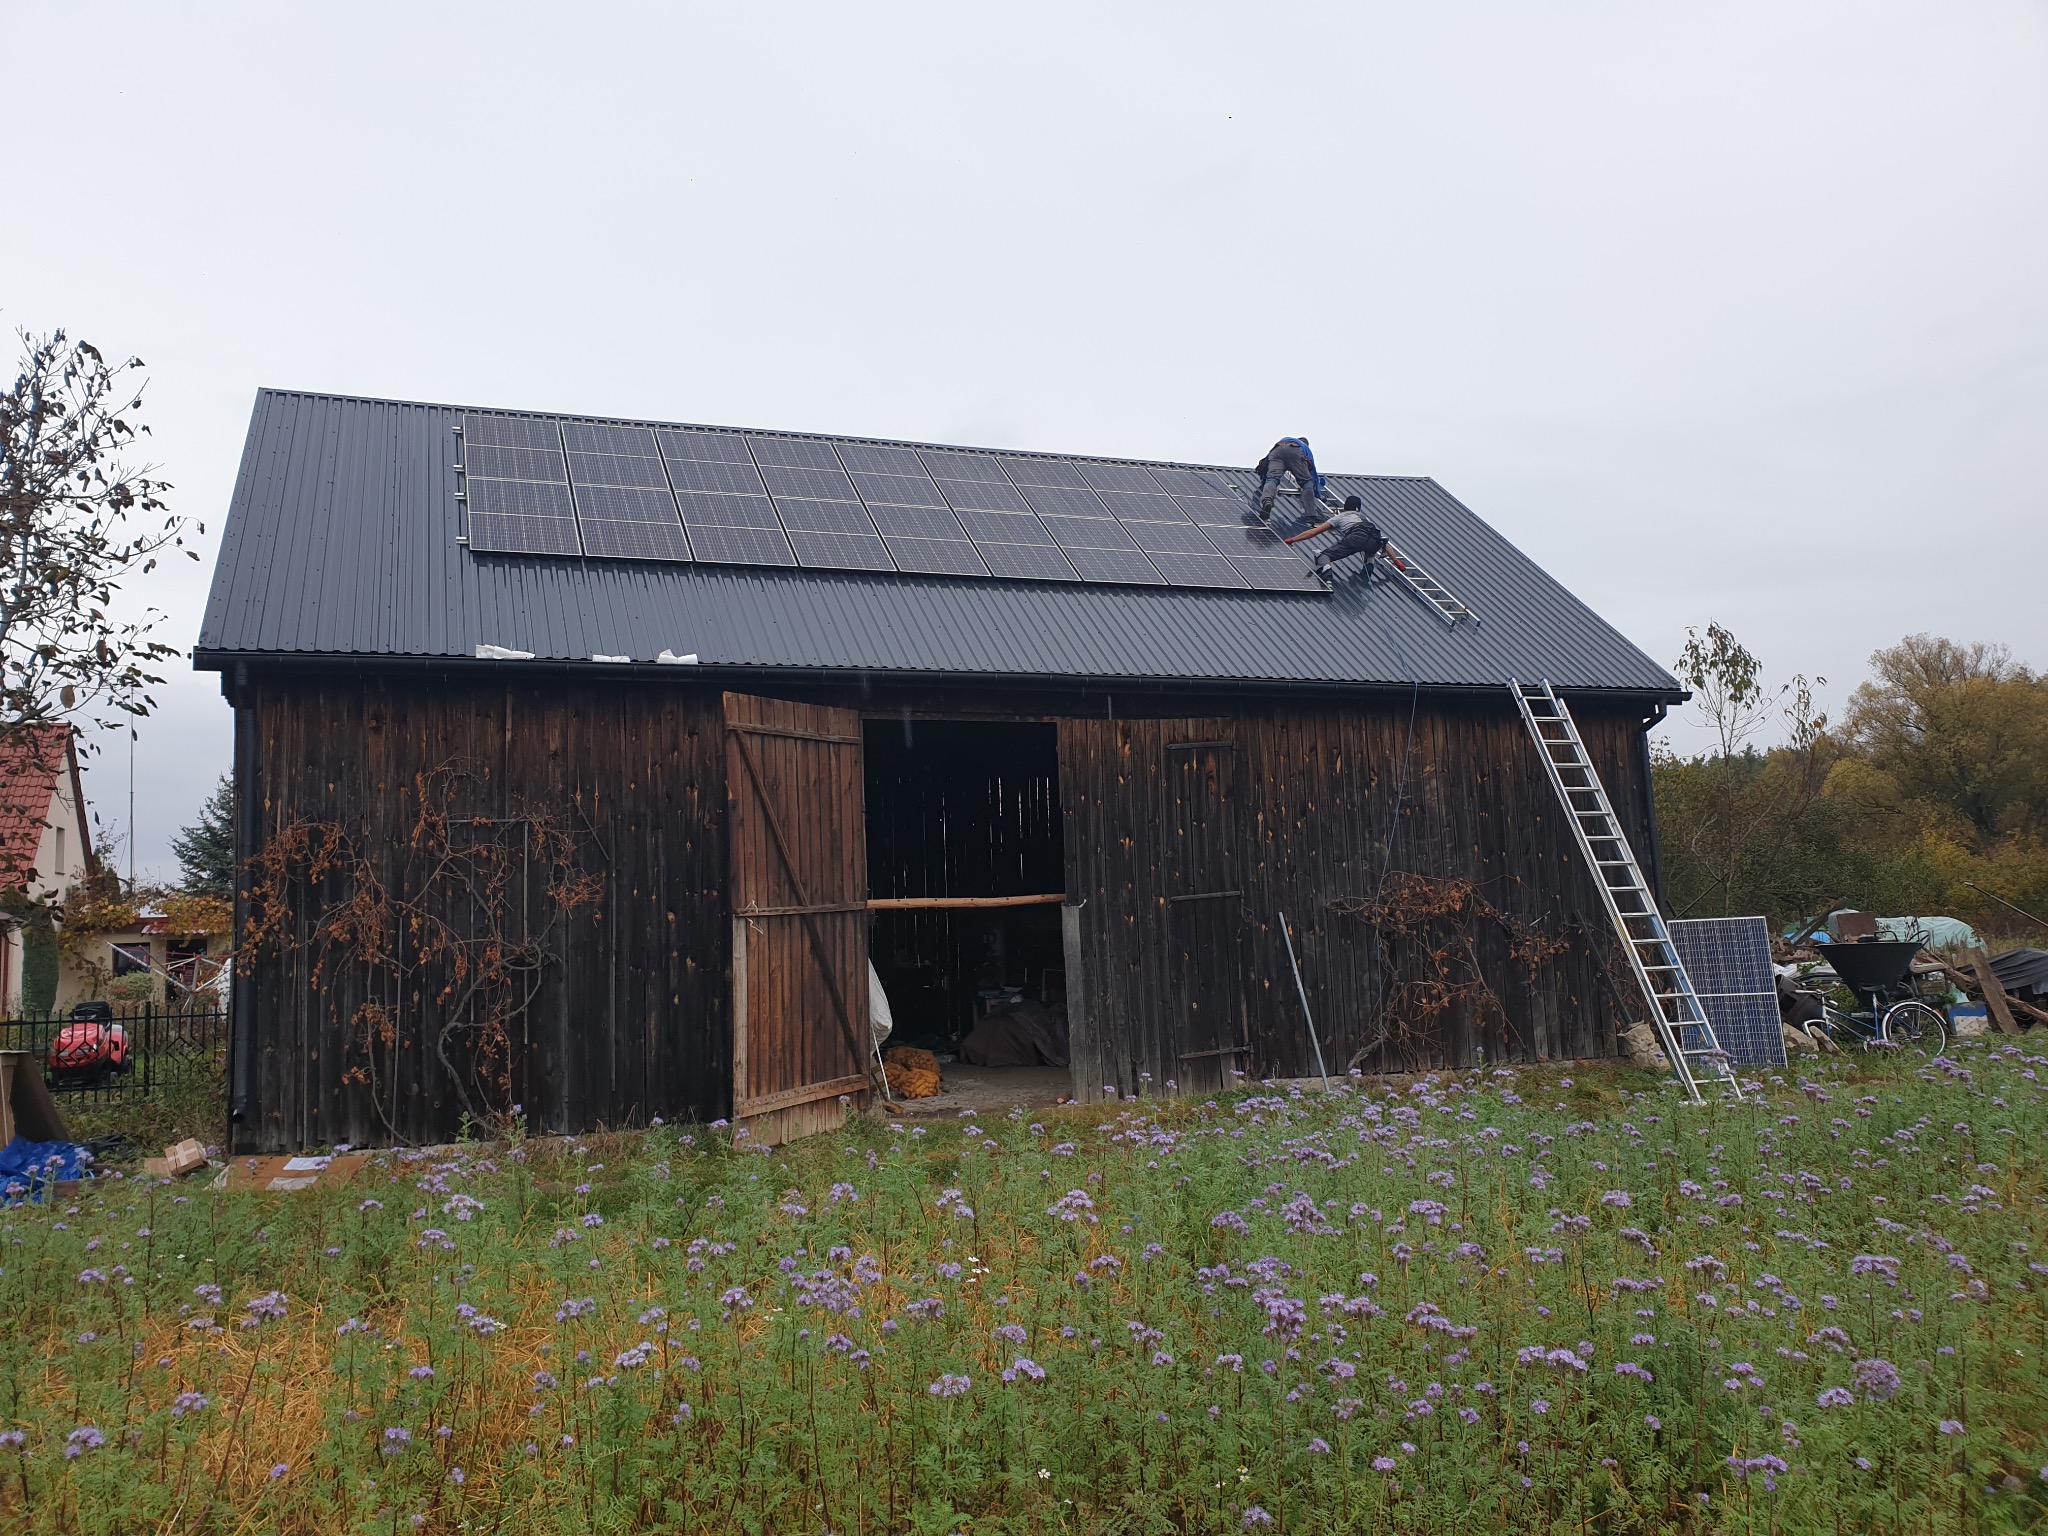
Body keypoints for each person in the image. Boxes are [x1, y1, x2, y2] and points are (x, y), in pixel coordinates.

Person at [1284, 494, 1394, 579]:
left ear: (1345, 506)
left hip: (1355, 538)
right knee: (1371, 549)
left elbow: (1314, 532)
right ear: (1358, 508)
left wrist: (1293, 539)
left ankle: (1326, 569)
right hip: (1374, 541)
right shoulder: (1365, 519)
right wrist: (1398, 562)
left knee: (1324, 555)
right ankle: (1369, 565)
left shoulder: (1339, 517)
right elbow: (1384, 543)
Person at [1252, 436, 1326, 524]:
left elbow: (1265, 465)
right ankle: (1311, 515)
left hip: (1276, 450)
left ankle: (1267, 501)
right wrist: (1317, 493)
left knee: (1272, 479)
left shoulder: (1285, 440)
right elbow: (1313, 474)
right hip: (1294, 451)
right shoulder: (1304, 447)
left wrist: (1264, 481)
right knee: (1307, 483)